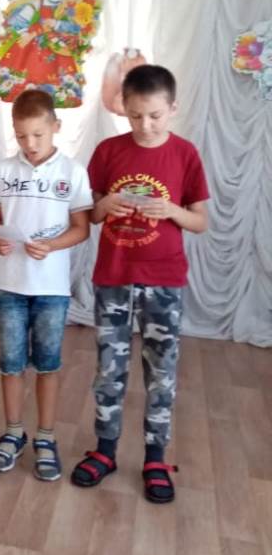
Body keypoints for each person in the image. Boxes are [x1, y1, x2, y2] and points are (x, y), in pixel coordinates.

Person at [70, 65, 209, 504]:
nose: (144, 125)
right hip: (113, 277)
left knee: (161, 373)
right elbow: (89, 215)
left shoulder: (185, 154)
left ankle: (154, 457)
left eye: (154, 116)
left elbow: (200, 222)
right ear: (123, 110)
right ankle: (105, 449)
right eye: (134, 116)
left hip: (164, 282)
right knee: (109, 369)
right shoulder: (108, 151)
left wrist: (171, 211)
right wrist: (105, 205)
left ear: (173, 108)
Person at [0, 89, 91, 480]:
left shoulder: (73, 172)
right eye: (21, 135)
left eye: (38, 135)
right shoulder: (3, 170)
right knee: (11, 364)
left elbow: (81, 228)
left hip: (51, 290)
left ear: (55, 127)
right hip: (9, 285)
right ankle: (13, 432)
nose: (29, 144)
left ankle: (46, 437)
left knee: (48, 364)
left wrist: (52, 245)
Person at [0, 0, 97, 108]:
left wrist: (57, 24)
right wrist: (25, 33)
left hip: (58, 48)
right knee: (29, 75)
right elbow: (18, 20)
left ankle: (52, 99)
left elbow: (75, 27)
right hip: (32, 48)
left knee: (55, 80)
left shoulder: (69, 5)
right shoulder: (37, 2)